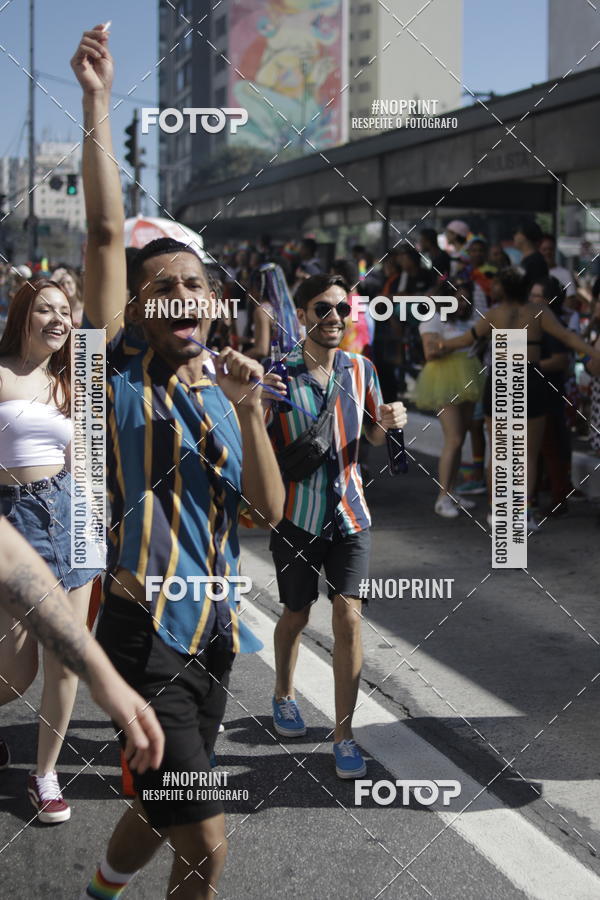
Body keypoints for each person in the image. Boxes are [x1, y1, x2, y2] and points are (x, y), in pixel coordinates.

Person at [73, 26, 284, 900]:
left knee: (166, 808)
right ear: (136, 309)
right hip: (139, 635)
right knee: (206, 841)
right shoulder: (114, 378)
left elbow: (265, 515)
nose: (182, 297)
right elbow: (103, 232)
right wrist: (95, 102)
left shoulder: (223, 394)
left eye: (195, 284)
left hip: (216, 635)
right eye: (161, 287)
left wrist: (250, 412)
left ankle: (96, 888)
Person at [266, 273, 407, 779]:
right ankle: (284, 693)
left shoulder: (362, 369)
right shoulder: (278, 375)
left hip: (351, 514)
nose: (334, 318)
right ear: (303, 314)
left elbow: (370, 437)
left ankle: (344, 734)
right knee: (296, 615)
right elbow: (258, 449)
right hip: (297, 518)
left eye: (342, 309)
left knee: (348, 618)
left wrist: (390, 419)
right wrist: (252, 404)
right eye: (322, 308)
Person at [0, 278, 101, 823]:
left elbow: (86, 462)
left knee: (67, 659)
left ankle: (45, 776)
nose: (59, 319)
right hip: (12, 522)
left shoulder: (72, 383)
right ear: (23, 315)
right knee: (13, 675)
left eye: (66, 311)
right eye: (46, 309)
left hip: (70, 519)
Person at [0, 515, 164, 775]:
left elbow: (9, 558)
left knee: (63, 668)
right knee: (15, 676)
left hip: (72, 511)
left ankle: (45, 775)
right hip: (14, 505)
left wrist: (102, 678)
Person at [440, 268, 600, 529]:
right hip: (530, 379)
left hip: (501, 378)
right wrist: (594, 352)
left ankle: (497, 512)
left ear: (502, 289)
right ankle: (523, 514)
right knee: (528, 455)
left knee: (499, 451)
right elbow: (567, 337)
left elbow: (466, 339)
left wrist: (441, 345)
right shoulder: (539, 311)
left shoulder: (494, 313)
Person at [415, 281, 485, 517]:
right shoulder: (434, 318)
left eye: (466, 299)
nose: (463, 304)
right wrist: (458, 345)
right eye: (458, 299)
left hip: (468, 376)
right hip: (444, 379)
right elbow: (430, 352)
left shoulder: (464, 320)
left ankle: (452, 492)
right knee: (454, 439)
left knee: (460, 437)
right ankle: (442, 497)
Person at [529, 277, 572, 515]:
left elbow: (560, 360)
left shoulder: (550, 325)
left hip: (547, 395)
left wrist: (529, 365)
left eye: (536, 296)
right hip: (539, 393)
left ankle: (557, 498)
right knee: (539, 449)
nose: (531, 300)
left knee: (550, 449)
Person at [513, 221, 548, 289]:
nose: (514, 236)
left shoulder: (535, 263)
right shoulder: (530, 260)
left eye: (516, 233)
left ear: (523, 236)